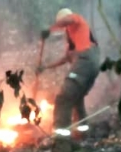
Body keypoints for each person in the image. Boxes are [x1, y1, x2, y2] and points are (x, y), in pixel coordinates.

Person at [37, 8, 100, 136]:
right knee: (76, 97)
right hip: (92, 67)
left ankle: (61, 133)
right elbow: (66, 58)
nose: (63, 28)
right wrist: (45, 67)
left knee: (64, 97)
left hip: (84, 63)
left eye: (62, 23)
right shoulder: (75, 39)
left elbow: (68, 20)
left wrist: (50, 29)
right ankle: (83, 132)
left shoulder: (77, 20)